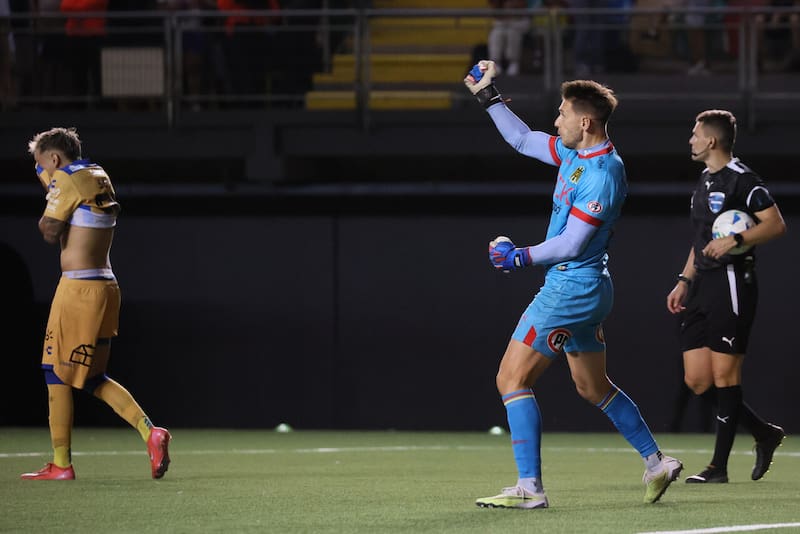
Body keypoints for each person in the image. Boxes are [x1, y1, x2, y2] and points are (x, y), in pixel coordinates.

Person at [463, 60, 683, 508]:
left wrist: (517, 256)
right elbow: (522, 139)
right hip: (588, 290)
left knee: (511, 378)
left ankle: (530, 489)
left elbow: (570, 244)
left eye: (562, 113)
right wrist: (488, 95)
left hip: (571, 289)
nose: (556, 120)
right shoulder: (573, 154)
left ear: (585, 121)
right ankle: (657, 463)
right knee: (593, 387)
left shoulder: (604, 173)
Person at [21, 127, 171, 481]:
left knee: (54, 372)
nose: (42, 172)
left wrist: (50, 191)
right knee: (91, 377)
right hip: (106, 285)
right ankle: (151, 432)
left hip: (78, 289)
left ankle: (61, 465)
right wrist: (54, 187)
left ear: (54, 159)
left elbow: (50, 231)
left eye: (41, 164)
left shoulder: (67, 181)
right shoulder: (97, 175)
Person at [666, 109, 787, 484]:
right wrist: (684, 279)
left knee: (724, 374)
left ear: (711, 140)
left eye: (695, 133)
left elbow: (775, 224)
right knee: (698, 380)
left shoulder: (743, 180)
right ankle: (764, 432)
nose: (690, 140)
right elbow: (701, 239)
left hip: (733, 282)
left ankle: (718, 467)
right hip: (701, 285)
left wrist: (735, 240)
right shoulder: (704, 180)